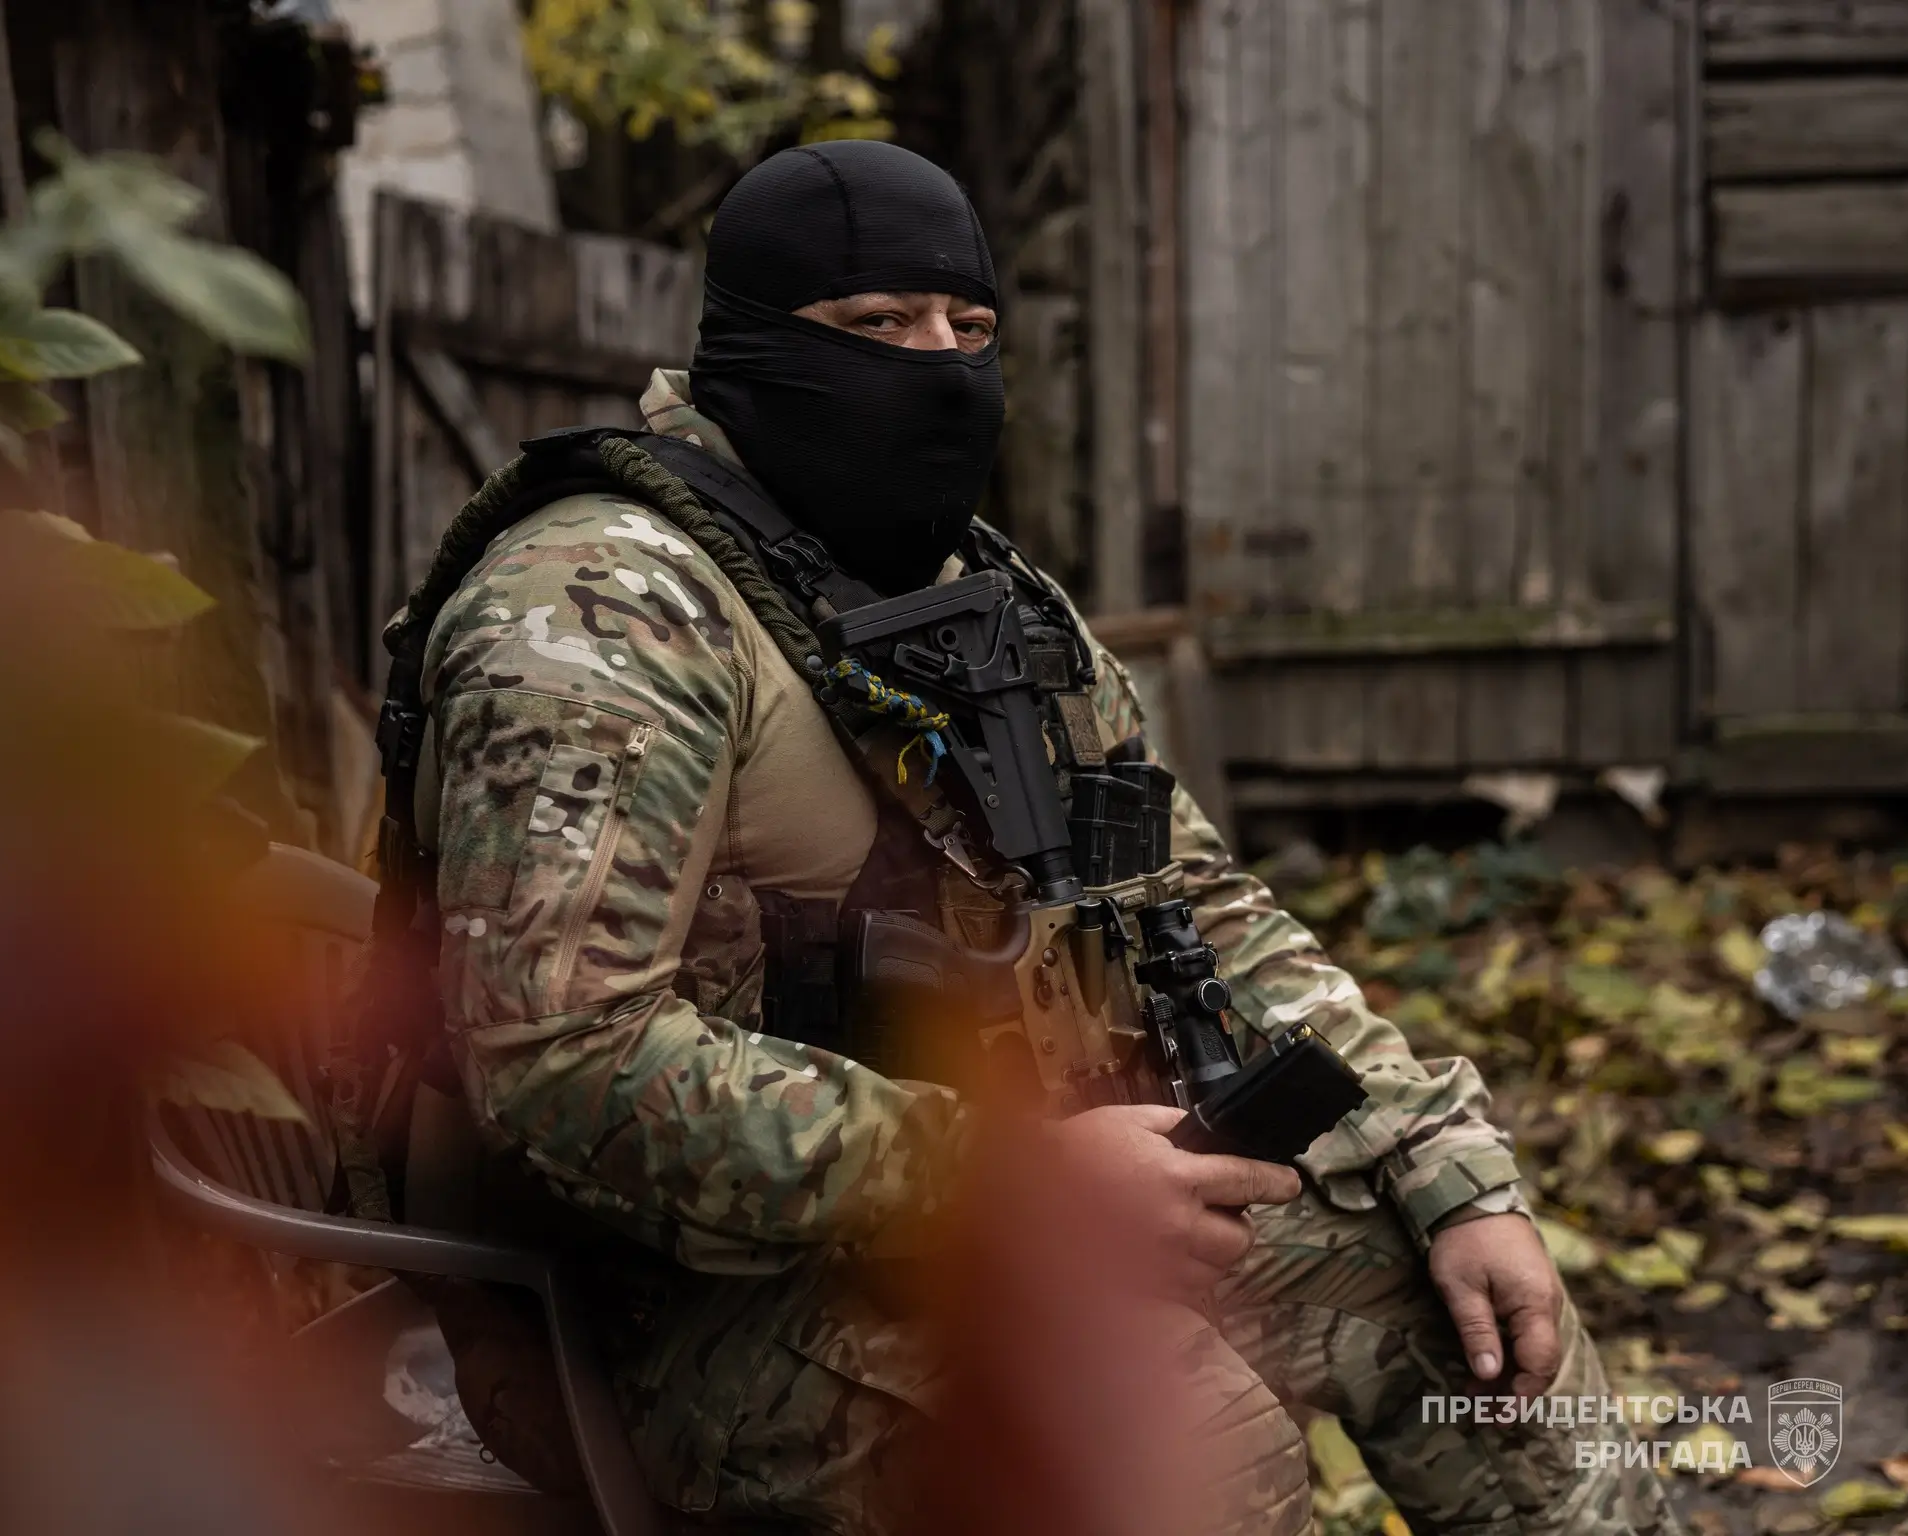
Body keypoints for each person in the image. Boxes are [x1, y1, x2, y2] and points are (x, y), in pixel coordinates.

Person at [412, 140, 1677, 1534]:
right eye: (879, 324)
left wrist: (1450, 1166)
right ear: (752, 345)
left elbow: (1199, 903)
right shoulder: (600, 610)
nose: (941, 365)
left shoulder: (975, 600)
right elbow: (558, 1062)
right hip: (658, 1305)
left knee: (1472, 1317)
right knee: (1185, 1448)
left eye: (971, 328)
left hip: (996, 1209)